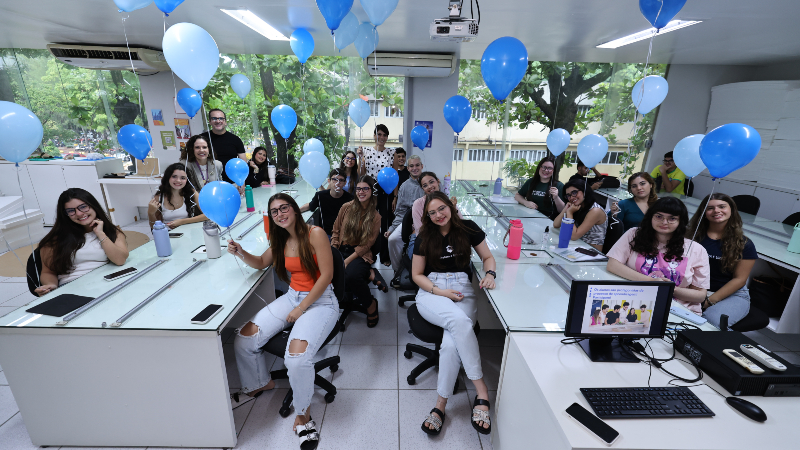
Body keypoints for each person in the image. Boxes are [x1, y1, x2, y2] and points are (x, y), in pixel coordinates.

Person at [227, 194, 337, 449]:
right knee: (245, 337)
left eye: (283, 208)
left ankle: (303, 416)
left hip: (321, 301)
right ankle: (258, 383)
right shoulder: (281, 239)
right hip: (293, 297)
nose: (279, 214)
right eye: (274, 211)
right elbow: (260, 263)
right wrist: (241, 252)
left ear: (295, 210)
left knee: (296, 359)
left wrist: (301, 308)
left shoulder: (315, 233)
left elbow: (327, 276)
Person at [412, 192, 496, 436]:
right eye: (432, 213)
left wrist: (490, 275)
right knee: (460, 321)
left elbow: (488, 257)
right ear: (427, 216)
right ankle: (482, 391)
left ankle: (440, 405)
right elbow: (417, 275)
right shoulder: (425, 236)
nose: (438, 215)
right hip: (432, 289)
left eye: (442, 209)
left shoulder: (468, 228)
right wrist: (440, 292)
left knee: (449, 345)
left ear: (450, 206)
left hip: (462, 288)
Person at [606, 197, 710, 315]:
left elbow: (700, 295)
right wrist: (652, 281)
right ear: (651, 217)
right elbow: (612, 265)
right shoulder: (634, 234)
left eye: (672, 218)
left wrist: (669, 289)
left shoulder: (696, 249)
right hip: (635, 303)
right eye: (659, 216)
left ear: (680, 221)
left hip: (677, 310)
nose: (664, 222)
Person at [34, 188, 129, 296]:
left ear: (93, 206)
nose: (79, 213)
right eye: (71, 211)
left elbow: (120, 260)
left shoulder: (112, 232)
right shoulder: (54, 240)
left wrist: (100, 234)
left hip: (108, 283)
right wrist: (51, 285)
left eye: (83, 207)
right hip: (74, 289)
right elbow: (48, 272)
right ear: (65, 214)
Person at [687, 193, 758, 329]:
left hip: (731, 294)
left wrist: (708, 301)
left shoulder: (745, 244)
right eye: (710, 208)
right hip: (695, 289)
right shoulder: (691, 236)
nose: (716, 211)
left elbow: (739, 280)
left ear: (731, 210)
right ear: (704, 212)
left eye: (722, 206)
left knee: (710, 322)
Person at [331, 175, 382, 327]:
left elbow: (367, 245)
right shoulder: (346, 207)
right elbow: (335, 230)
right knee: (327, 272)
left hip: (359, 253)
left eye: (365, 189)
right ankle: (334, 305)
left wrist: (345, 261)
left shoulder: (375, 216)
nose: (361, 192)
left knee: (351, 275)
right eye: (358, 189)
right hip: (340, 248)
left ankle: (371, 304)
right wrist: (333, 252)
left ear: (371, 191)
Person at [357, 124, 397, 266]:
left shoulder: (392, 153)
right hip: (370, 190)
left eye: (384, 135)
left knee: (386, 223)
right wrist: (360, 158)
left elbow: (395, 176)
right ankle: (370, 254)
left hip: (386, 191)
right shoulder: (366, 151)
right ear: (374, 136)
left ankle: (385, 256)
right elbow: (361, 174)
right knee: (369, 223)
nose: (382, 137)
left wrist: (395, 197)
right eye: (379, 134)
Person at [386, 155, 424, 272]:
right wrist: (392, 228)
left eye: (417, 165)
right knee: (392, 239)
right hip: (408, 220)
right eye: (411, 166)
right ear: (408, 168)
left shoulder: (430, 182)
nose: (415, 168)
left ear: (422, 166)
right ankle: (398, 271)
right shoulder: (404, 186)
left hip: (428, 221)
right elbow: (400, 211)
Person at [147, 163, 207, 230]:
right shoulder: (159, 197)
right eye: (174, 176)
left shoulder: (192, 193)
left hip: (188, 232)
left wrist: (182, 222)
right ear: (168, 177)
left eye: (183, 178)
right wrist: (150, 213)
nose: (178, 180)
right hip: (168, 234)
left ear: (187, 180)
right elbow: (154, 227)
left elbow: (208, 215)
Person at [553, 179, 607, 251]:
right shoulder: (578, 206)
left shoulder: (595, 210)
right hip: (576, 246)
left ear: (584, 191)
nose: (571, 197)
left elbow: (574, 236)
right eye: (568, 195)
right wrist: (565, 209)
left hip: (591, 252)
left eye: (574, 192)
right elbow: (556, 224)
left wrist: (570, 213)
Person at [299, 169, 353, 238]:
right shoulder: (320, 196)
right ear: (329, 181)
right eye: (334, 179)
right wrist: (297, 210)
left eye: (341, 180)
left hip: (343, 234)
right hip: (325, 234)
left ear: (345, 183)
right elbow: (310, 206)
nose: (337, 182)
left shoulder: (350, 199)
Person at [200, 109, 246, 183]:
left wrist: (242, 180)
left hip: (232, 182)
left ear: (225, 122)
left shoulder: (235, 139)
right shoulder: (201, 139)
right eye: (214, 118)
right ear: (210, 121)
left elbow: (243, 162)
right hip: (208, 182)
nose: (218, 121)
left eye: (221, 118)